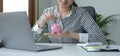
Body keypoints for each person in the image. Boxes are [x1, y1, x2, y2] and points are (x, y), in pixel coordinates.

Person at [32, 0, 106, 44]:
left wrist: (71, 35)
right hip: (53, 52)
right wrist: (43, 21)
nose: (64, 0)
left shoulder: (81, 14)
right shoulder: (47, 12)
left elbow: (101, 38)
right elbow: (32, 38)